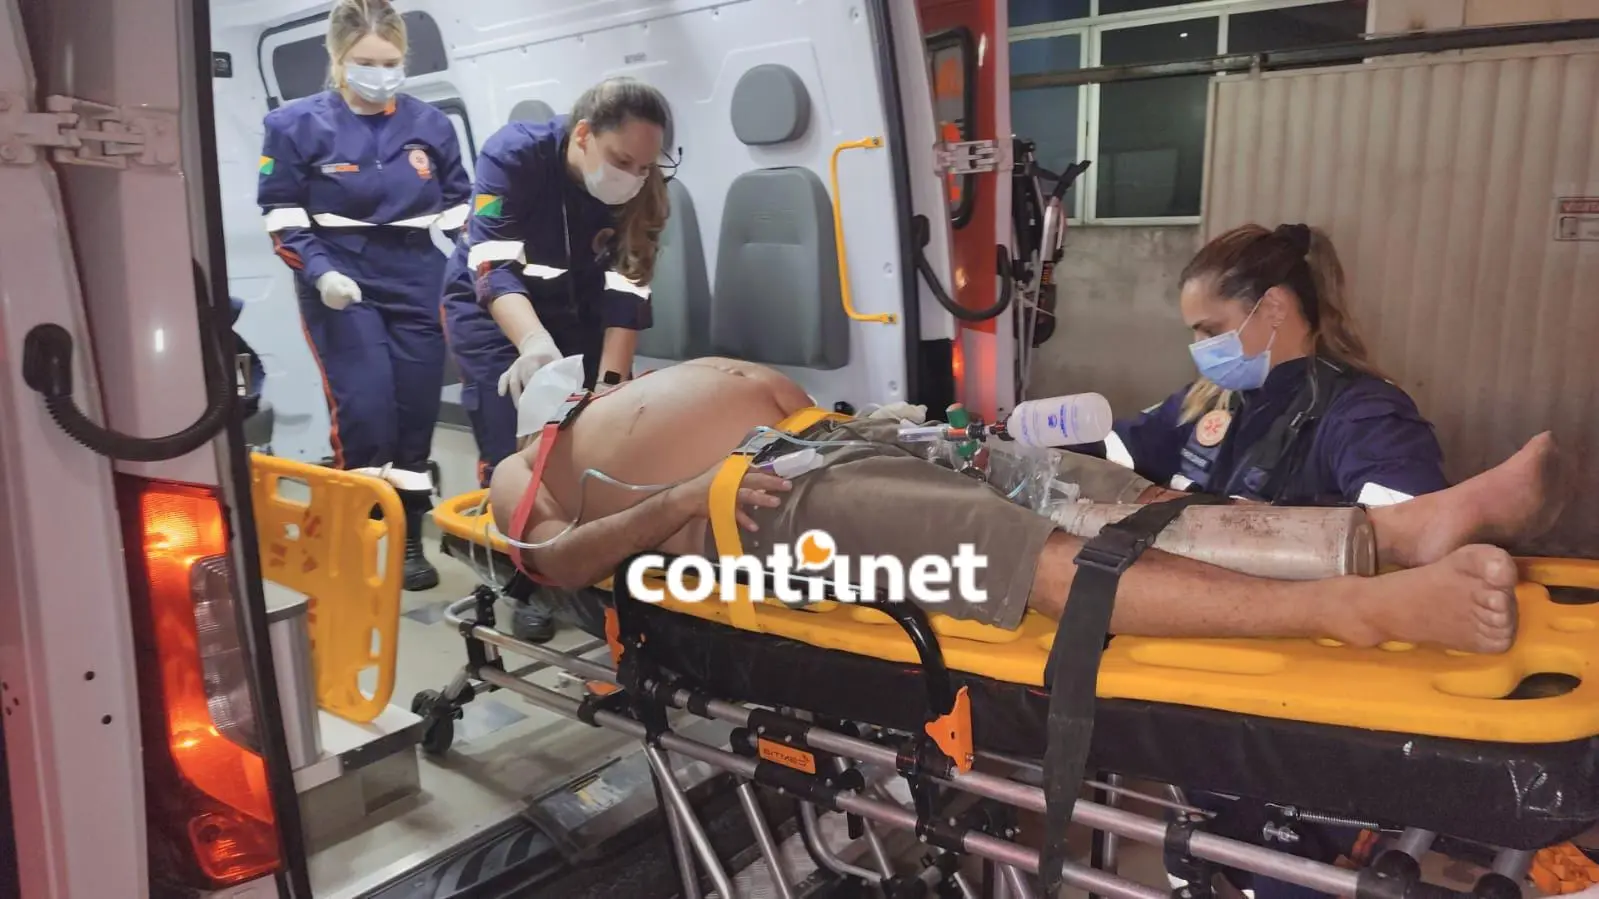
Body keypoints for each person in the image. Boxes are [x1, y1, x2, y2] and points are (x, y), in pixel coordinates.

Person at [486, 357, 1566, 653]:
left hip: (844, 437)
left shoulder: (604, 392)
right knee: (1016, 546)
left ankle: (1391, 531)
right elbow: (555, 563)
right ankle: (1351, 608)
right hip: (768, 499)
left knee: (1100, 489)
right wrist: (687, 492)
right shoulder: (514, 471)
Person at [441, 76, 670, 639]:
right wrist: (533, 344)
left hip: (578, 310)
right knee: (516, 443)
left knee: (594, 432)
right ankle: (523, 579)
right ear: (583, 134)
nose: (634, 176)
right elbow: (493, 266)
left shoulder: (643, 188)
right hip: (495, 313)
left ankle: (582, 558)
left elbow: (628, 290)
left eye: (645, 166)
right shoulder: (515, 157)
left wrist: (611, 384)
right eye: (623, 161)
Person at [257, 0, 470, 591]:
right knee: (367, 409)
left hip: (417, 274)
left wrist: (470, 253)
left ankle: (406, 537)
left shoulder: (431, 124)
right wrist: (320, 272)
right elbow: (282, 214)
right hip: (340, 279)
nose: (381, 74)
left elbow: (459, 202)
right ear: (338, 58)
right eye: (367, 63)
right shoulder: (295, 125)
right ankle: (355, 532)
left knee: (415, 413)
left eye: (391, 62)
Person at [1106, 223, 1445, 508]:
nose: (1199, 346)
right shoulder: (1208, 399)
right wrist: (1073, 431)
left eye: (1211, 330)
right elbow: (1123, 445)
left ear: (1273, 308)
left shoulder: (1364, 416)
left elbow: (1408, 532)